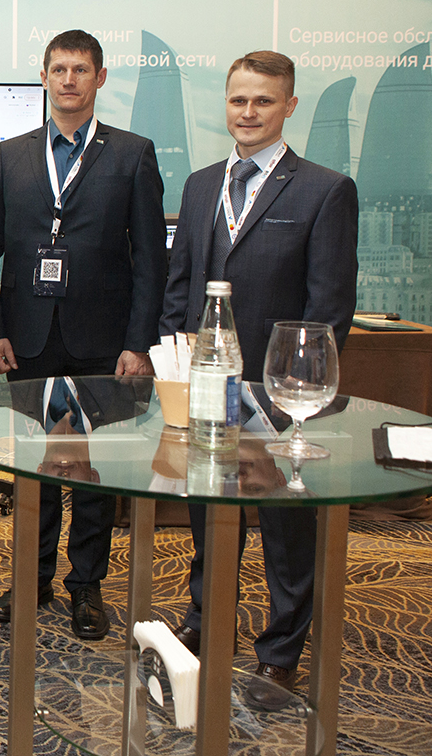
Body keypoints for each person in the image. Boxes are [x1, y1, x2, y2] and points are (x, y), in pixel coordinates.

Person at [159, 49, 357, 698]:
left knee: (285, 527)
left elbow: (329, 308)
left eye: (263, 101)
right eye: (238, 99)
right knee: (208, 514)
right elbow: (180, 286)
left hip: (278, 395)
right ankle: (206, 617)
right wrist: (177, 370)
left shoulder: (325, 189)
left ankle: (281, 647)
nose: (248, 112)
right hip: (206, 388)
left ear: (289, 106)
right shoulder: (199, 185)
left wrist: (294, 397)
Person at [0, 28, 166, 641]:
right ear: (44, 77)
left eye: (81, 69)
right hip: (26, 335)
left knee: (91, 467)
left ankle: (86, 584)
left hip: (102, 338)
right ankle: (31, 577)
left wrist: (138, 342)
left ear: (100, 78)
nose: (69, 80)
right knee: (34, 462)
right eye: (58, 69)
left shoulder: (132, 153)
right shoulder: (11, 154)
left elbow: (150, 260)